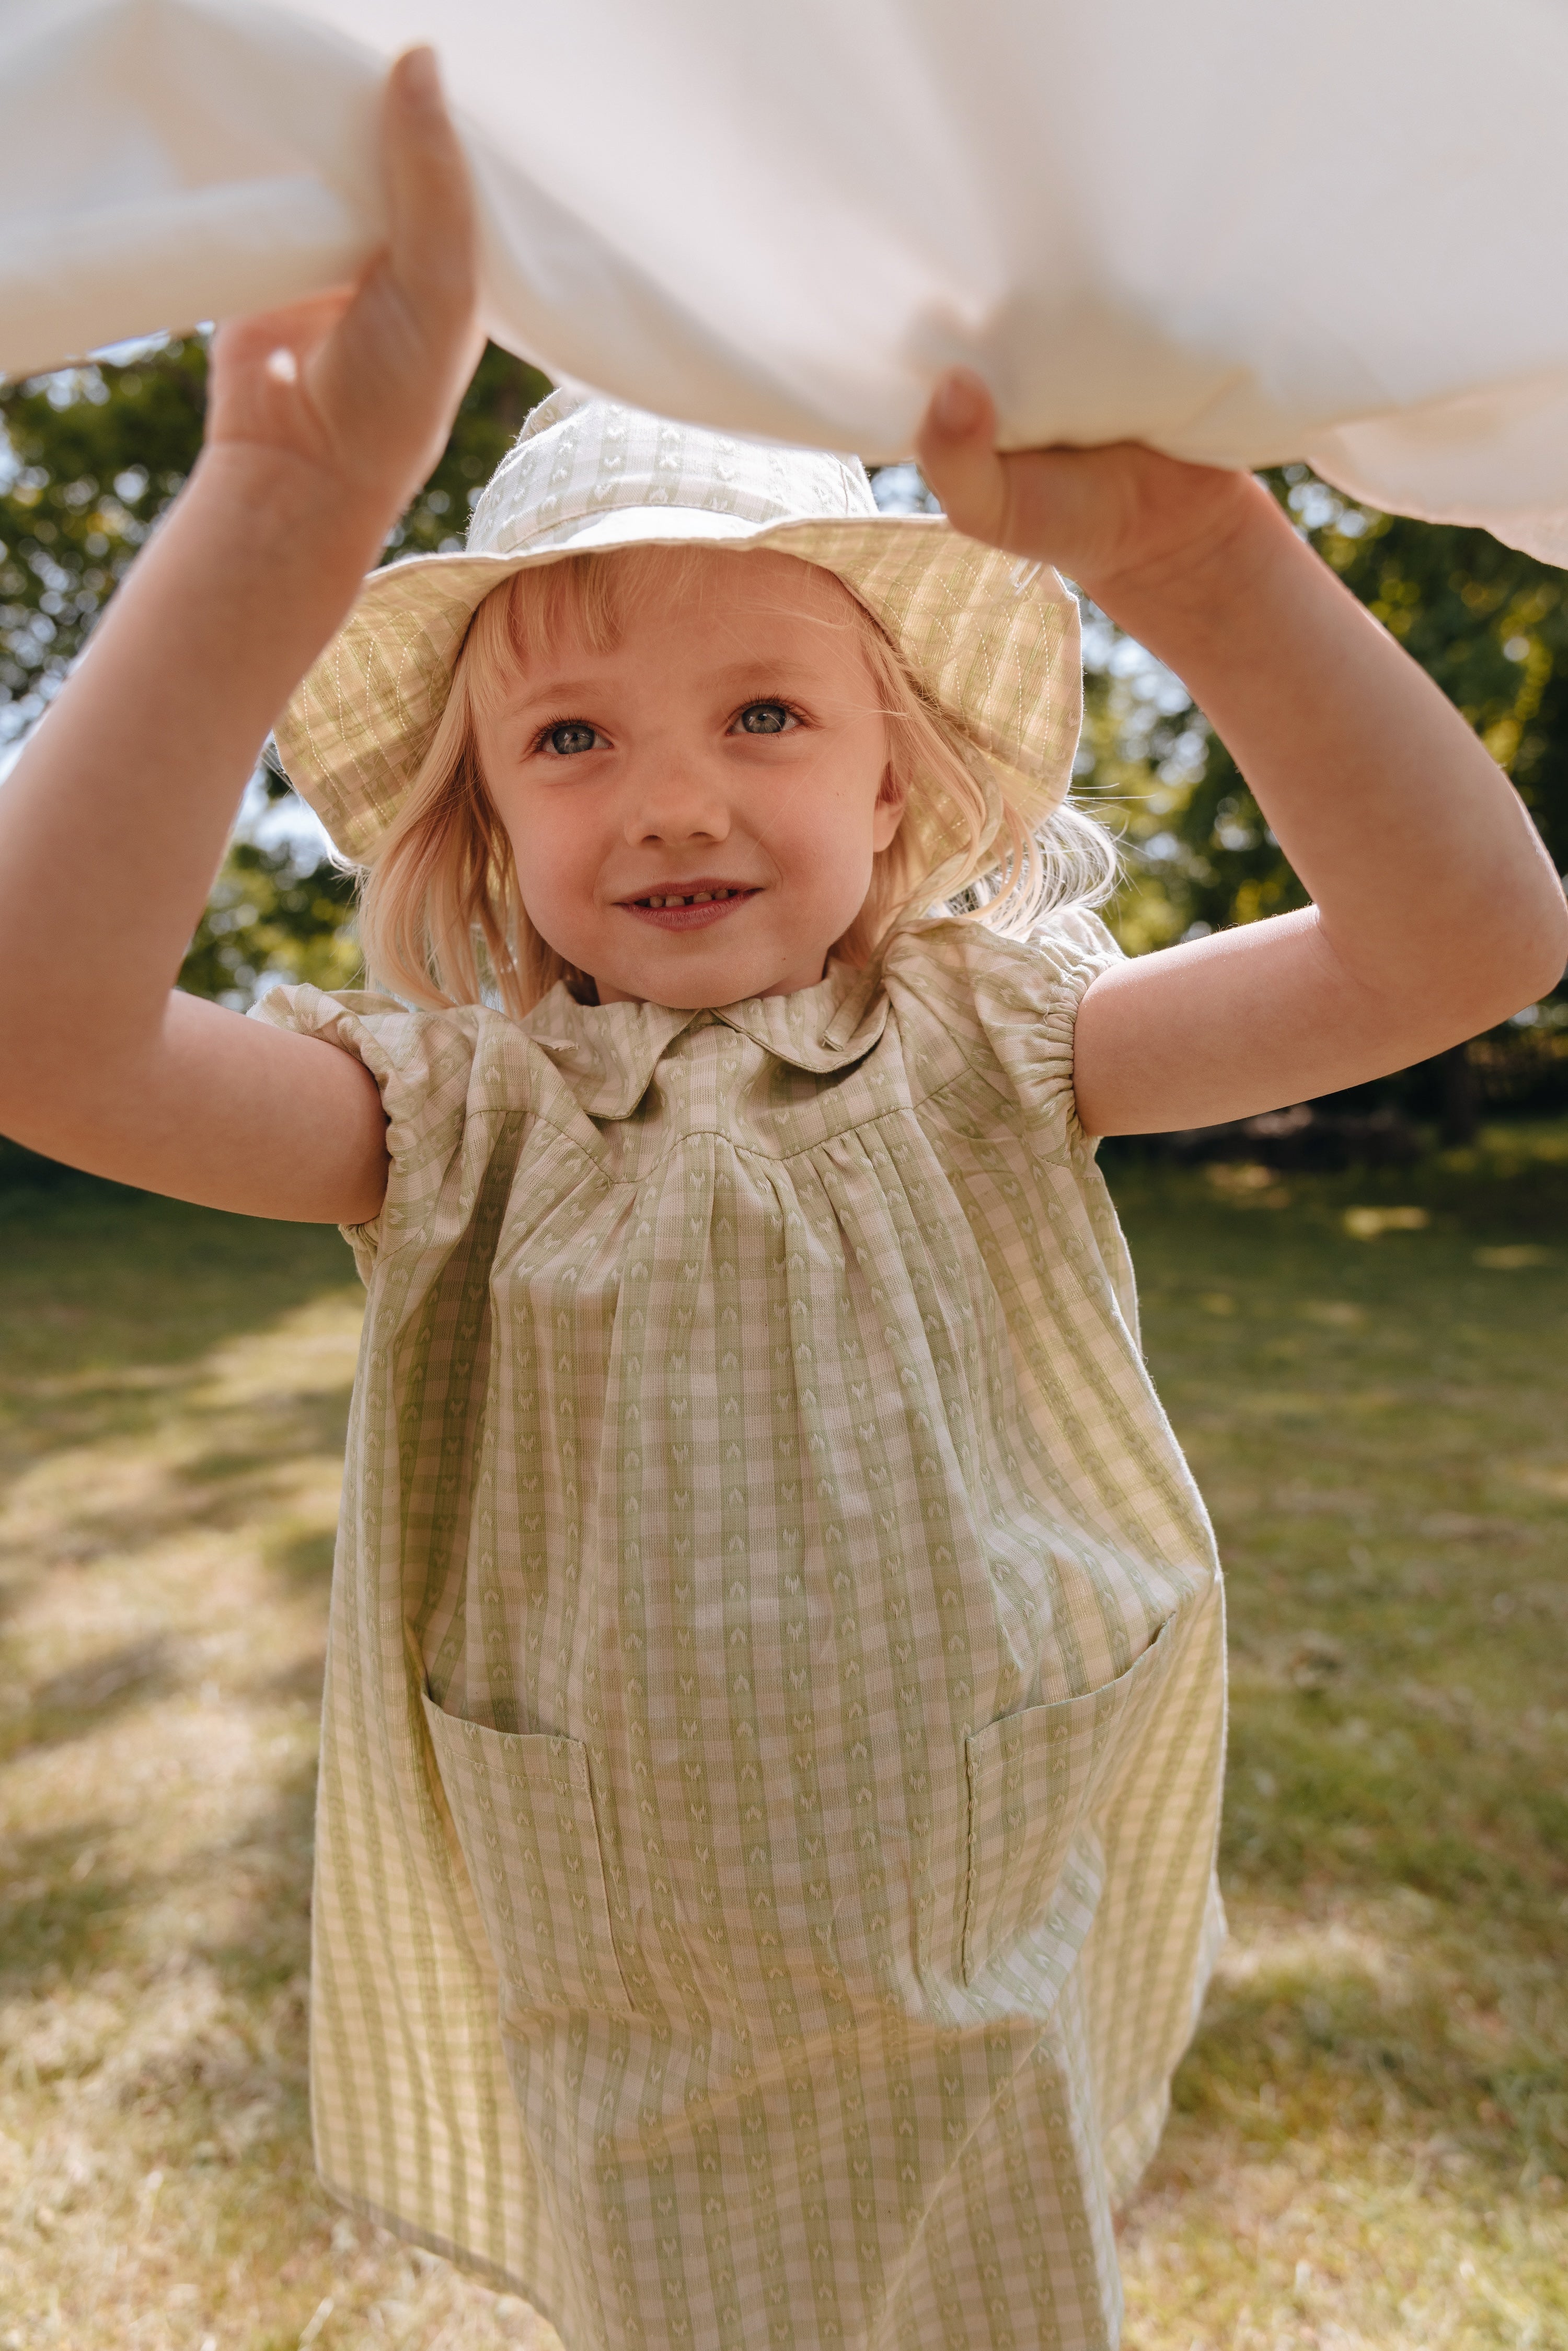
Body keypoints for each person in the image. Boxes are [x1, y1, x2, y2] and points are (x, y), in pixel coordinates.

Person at [0, 49, 1561, 2351]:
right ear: (485, 830)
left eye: (763, 717)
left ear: (896, 772)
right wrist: (272, 519)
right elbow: (46, 1034)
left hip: (977, 1916)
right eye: (569, 738)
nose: (666, 803)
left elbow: (1473, 941)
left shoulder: (1001, 1043)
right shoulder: (459, 1118)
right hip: (622, 1958)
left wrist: (1212, 564)